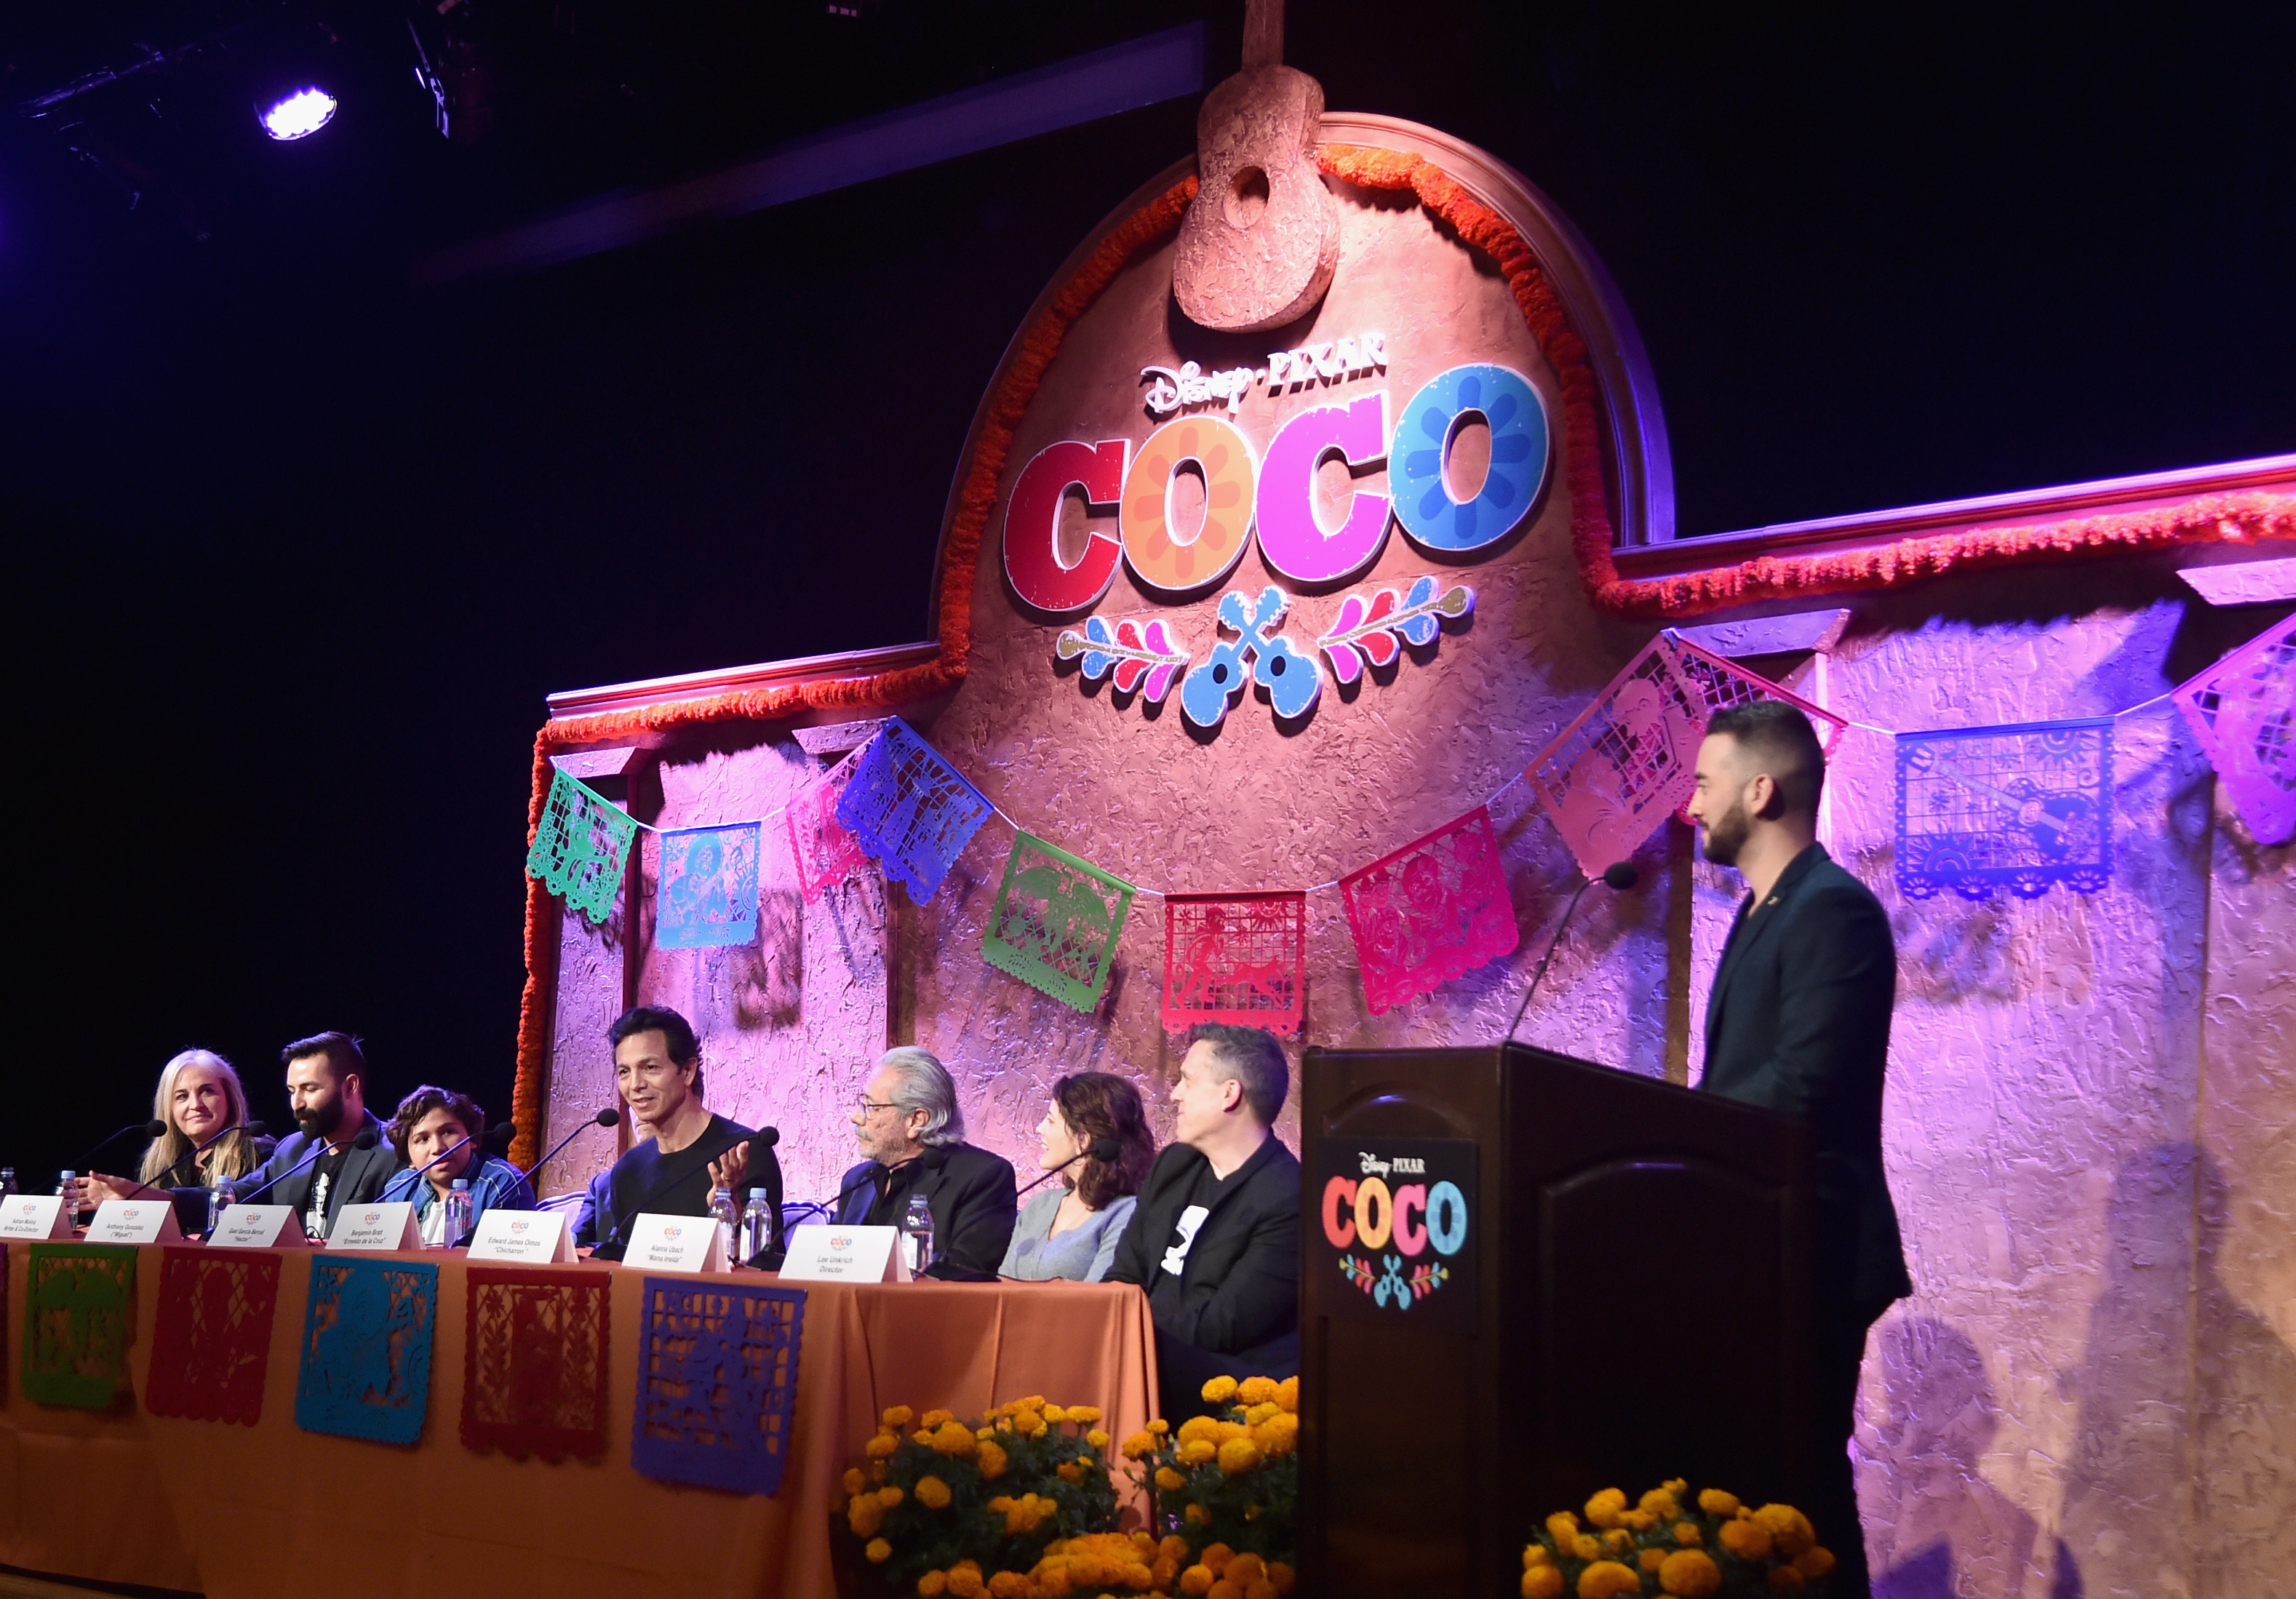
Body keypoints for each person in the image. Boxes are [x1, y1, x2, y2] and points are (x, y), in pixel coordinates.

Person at [1685, 699, 1913, 1599]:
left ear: (1762, 788)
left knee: (1802, 1484)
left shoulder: (1835, 910)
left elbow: (1801, 1084)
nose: (1693, 805)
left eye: (1705, 784)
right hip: (1756, 1242)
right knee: (1760, 1484)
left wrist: (1678, 1134)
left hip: (1813, 1248)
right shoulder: (1761, 911)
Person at [1104, 1024, 1300, 1420]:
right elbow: (1125, 1272)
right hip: (1143, 1351)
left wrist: (1125, 1334)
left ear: (1230, 1094)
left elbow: (1224, 1326)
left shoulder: (1289, 1197)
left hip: (1223, 1383)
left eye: (1188, 1081)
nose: (1174, 1093)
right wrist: (1104, 1322)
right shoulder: (1175, 1165)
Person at [577, 1005, 771, 1261]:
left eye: (650, 1068)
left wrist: (730, 1214)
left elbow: (762, 1268)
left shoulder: (743, 1152)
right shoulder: (628, 1170)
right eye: (624, 1071)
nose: (635, 1085)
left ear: (688, 1071)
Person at [834, 1047, 1016, 1280]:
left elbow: (967, 1267)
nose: (856, 1118)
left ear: (916, 1120)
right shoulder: (858, 1180)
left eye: (872, 1108)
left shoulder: (984, 1176)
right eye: (862, 1104)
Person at [78, 1049, 276, 1235]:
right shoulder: (161, 1163)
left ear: (230, 1098)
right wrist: (121, 1207)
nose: (195, 1105)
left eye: (207, 1091)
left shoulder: (259, 1153)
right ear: (170, 1108)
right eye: (182, 1096)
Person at [229, 1032, 404, 1240]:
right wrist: (181, 1199)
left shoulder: (394, 1151)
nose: (297, 1104)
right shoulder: (292, 1149)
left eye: (309, 1089)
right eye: (292, 1091)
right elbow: (239, 1192)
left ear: (350, 1086)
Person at [1000, 1072, 1154, 1282]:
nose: (1040, 1129)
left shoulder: (1126, 1214)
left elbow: (1096, 1302)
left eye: (1051, 1121)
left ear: (1084, 1140)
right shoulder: (1039, 1206)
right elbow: (1000, 1288)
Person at [376, 1085, 535, 1246]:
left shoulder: (502, 1184)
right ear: (409, 1158)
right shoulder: (399, 1188)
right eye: (423, 1139)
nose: (438, 1148)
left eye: (448, 1132)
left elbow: (501, 1263)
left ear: (472, 1138)